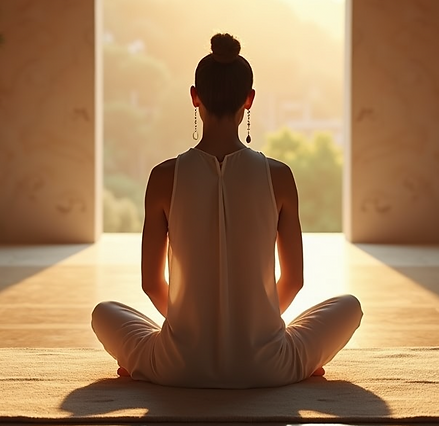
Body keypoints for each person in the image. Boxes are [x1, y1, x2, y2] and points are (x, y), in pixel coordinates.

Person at [91, 33, 362, 389]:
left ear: (194, 97)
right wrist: (253, 331)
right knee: (349, 306)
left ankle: (142, 364)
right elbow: (293, 280)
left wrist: (191, 332)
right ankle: (302, 364)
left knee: (103, 313)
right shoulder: (278, 176)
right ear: (249, 101)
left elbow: (151, 283)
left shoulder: (163, 177)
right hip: (268, 367)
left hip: (177, 366)